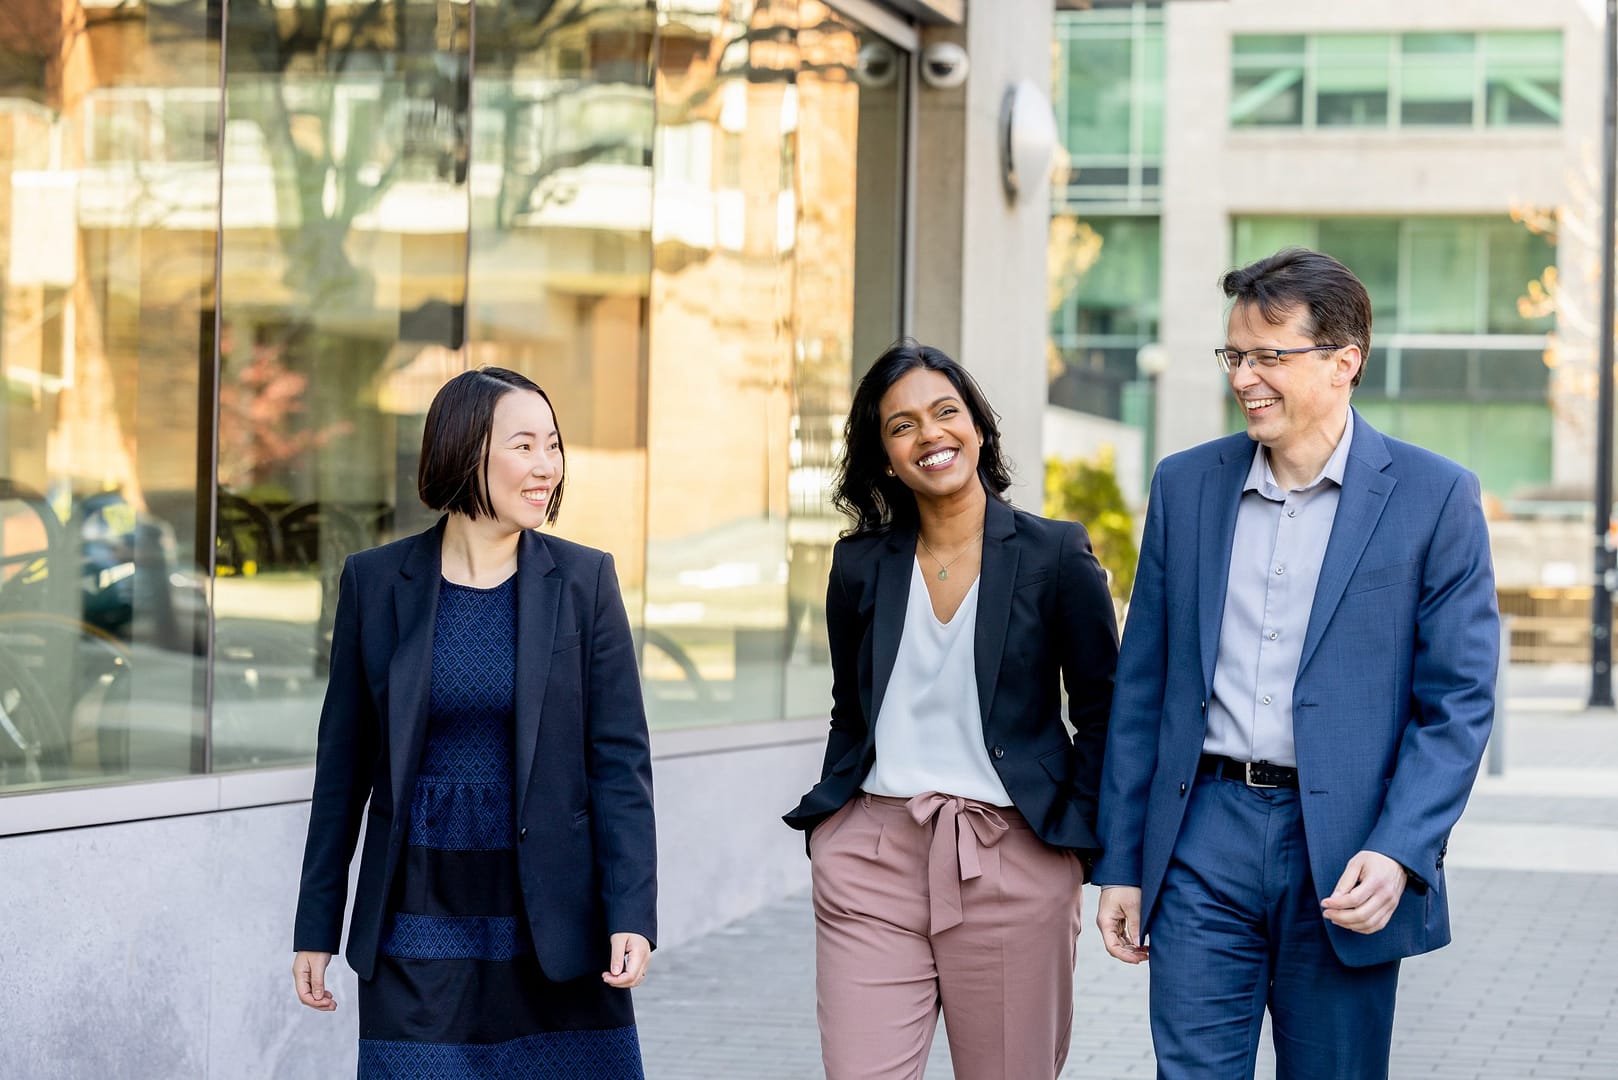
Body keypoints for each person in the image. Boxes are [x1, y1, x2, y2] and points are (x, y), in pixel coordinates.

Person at [1094, 248, 1499, 1079]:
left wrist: (1400, 848)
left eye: (1269, 357)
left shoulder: (1435, 497)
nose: (1244, 377)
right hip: (1201, 833)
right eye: (1234, 355)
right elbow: (1144, 688)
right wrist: (1123, 863)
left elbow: (1456, 704)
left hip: (1347, 853)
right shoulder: (1185, 487)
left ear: (1344, 362)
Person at [291, 366, 657, 1077]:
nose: (546, 466)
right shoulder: (375, 582)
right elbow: (342, 769)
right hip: (417, 909)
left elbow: (619, 764)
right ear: (464, 451)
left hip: (551, 913)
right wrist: (316, 927)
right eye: (525, 446)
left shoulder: (584, 583)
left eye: (553, 445)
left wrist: (632, 911)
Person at [783, 341, 1119, 1080]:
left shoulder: (1055, 555)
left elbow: (1103, 710)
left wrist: (1073, 847)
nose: (930, 435)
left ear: (978, 429)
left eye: (946, 412)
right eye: (902, 426)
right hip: (872, 854)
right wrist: (833, 828)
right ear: (883, 457)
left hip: (1011, 854)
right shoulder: (859, 564)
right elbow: (852, 707)